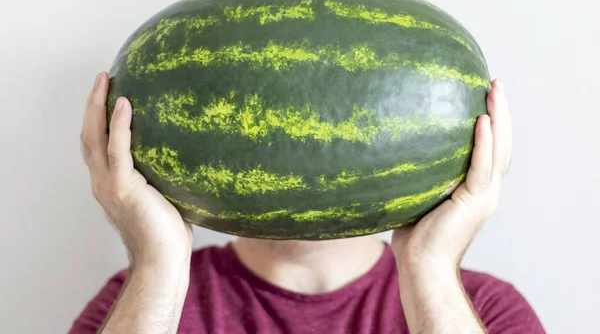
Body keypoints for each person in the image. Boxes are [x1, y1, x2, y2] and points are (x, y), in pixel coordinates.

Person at [70, 72, 545, 334]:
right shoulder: (134, 300)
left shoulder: (485, 310)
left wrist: (429, 267)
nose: (298, 149)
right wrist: (158, 262)